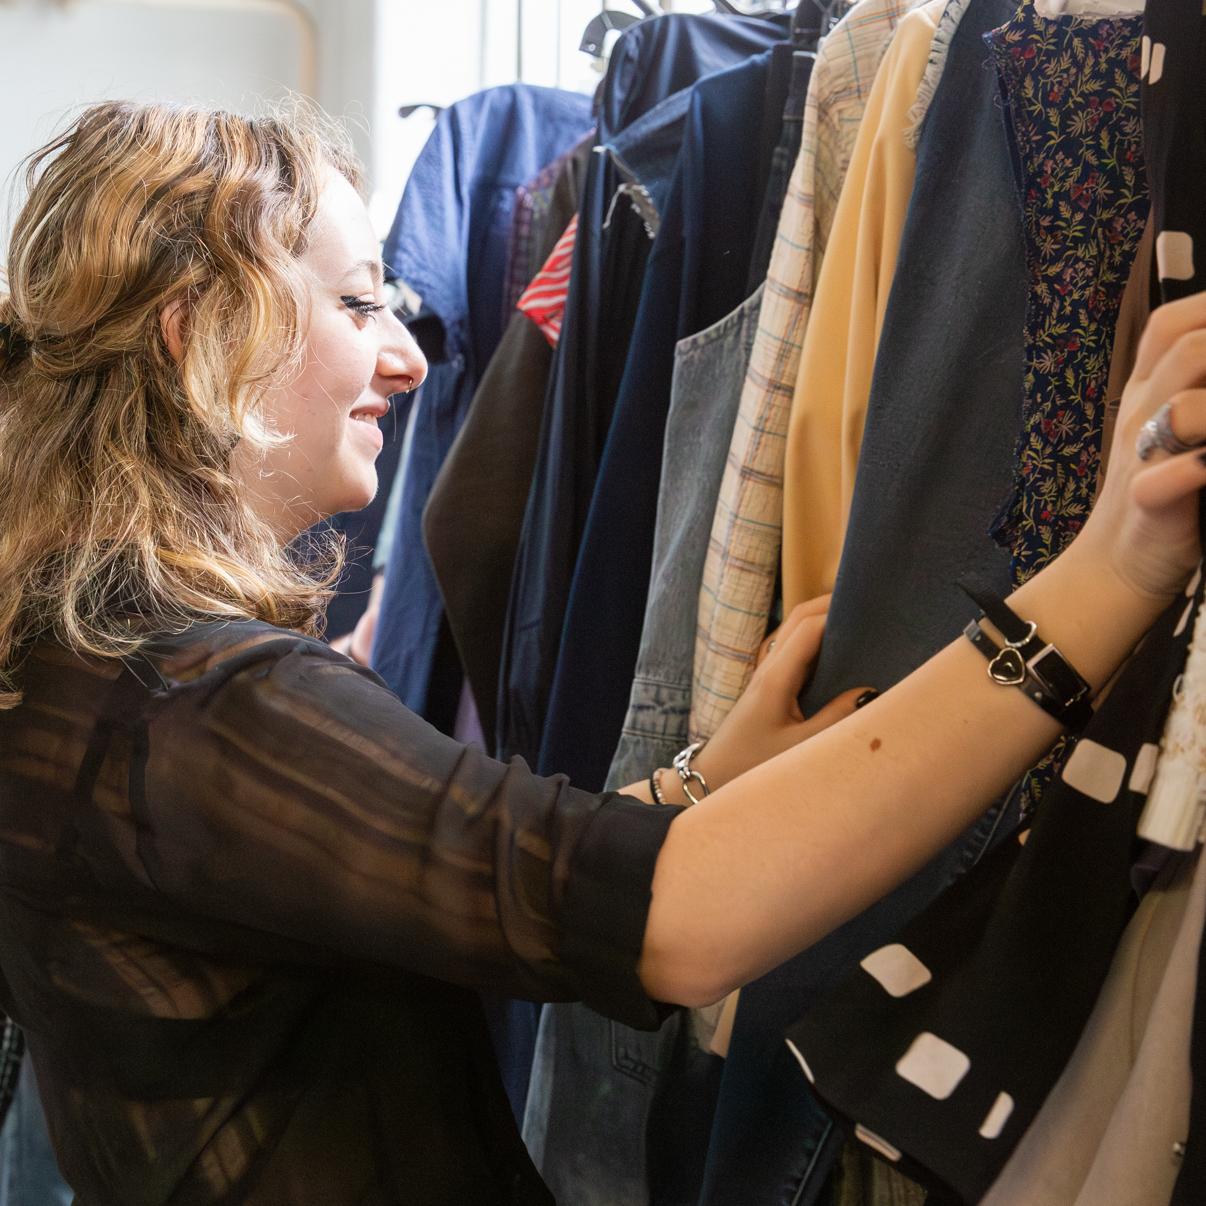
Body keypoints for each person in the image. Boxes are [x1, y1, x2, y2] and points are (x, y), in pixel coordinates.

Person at [0, 99, 1202, 1206]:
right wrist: (1114, 571)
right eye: (360, 304)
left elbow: (486, 874)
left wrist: (700, 781)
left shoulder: (74, 656)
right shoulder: (191, 698)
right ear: (197, 330)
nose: (410, 358)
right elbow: (678, 928)